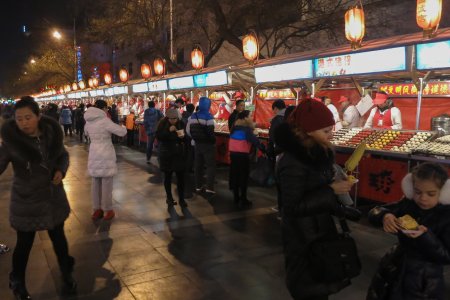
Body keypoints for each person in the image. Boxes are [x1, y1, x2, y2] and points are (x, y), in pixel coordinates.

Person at [275, 98, 358, 300]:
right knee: (308, 289)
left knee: (321, 285)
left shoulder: (318, 152)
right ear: (307, 130)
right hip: (302, 239)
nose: (331, 135)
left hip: (320, 233)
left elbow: (317, 191)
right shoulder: (292, 161)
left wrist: (338, 194)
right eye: (326, 131)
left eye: (331, 129)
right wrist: (331, 190)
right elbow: (292, 207)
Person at [0, 96, 76, 299]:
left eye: (28, 117)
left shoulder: (52, 135)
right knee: (24, 244)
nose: (23, 122)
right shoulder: (11, 143)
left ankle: (67, 274)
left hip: (52, 199)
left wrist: (61, 169)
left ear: (38, 116)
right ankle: (17, 281)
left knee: (59, 239)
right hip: (27, 201)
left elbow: (63, 155)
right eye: (19, 119)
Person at [367, 162, 450, 300]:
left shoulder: (446, 216)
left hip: (424, 281)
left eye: (431, 194)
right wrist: (384, 215)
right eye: (417, 192)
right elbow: (375, 211)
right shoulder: (408, 204)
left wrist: (425, 236)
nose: (423, 198)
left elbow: (446, 256)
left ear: (443, 192)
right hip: (393, 268)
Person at [84, 99, 127, 221]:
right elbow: (121, 132)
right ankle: (108, 210)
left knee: (95, 183)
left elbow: (86, 133)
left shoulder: (88, 121)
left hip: (93, 152)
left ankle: (97, 209)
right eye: (106, 108)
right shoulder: (104, 121)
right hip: (105, 153)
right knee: (107, 183)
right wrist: (122, 125)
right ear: (103, 109)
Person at [228, 110, 265, 208]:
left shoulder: (234, 127)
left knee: (235, 175)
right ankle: (243, 198)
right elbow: (255, 141)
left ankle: (236, 197)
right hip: (242, 155)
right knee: (243, 177)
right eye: (250, 116)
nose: (251, 118)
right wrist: (264, 149)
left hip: (233, 154)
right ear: (245, 118)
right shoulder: (246, 129)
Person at [156, 109, 187, 208]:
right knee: (168, 177)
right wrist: (168, 131)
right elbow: (159, 137)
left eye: (175, 119)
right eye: (171, 119)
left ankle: (182, 199)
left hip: (178, 154)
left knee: (181, 178)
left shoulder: (181, 123)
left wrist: (182, 136)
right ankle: (169, 198)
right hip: (166, 154)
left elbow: (185, 138)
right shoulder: (162, 124)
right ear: (167, 118)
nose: (173, 121)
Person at [186, 97, 216, 195]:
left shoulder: (193, 116)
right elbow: (211, 132)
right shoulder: (209, 116)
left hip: (197, 144)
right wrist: (212, 141)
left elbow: (189, 131)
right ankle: (209, 188)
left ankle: (198, 186)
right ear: (208, 105)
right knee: (210, 166)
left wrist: (195, 138)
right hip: (208, 145)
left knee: (198, 166)